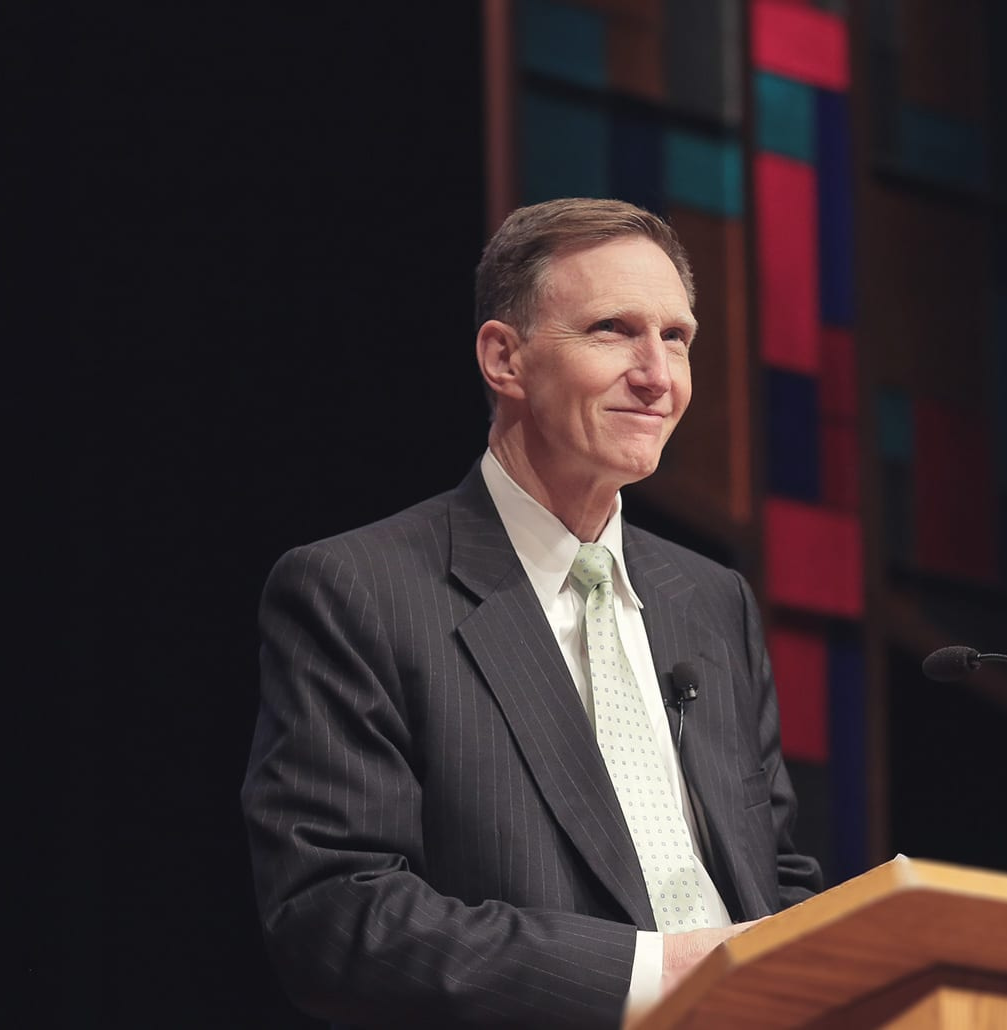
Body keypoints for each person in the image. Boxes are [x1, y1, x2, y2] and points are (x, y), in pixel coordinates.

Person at [243, 198, 821, 1028]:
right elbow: (338, 917)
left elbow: (777, 877)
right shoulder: (356, 591)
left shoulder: (711, 600)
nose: (657, 375)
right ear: (504, 358)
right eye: (614, 330)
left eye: (678, 338)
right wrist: (659, 973)